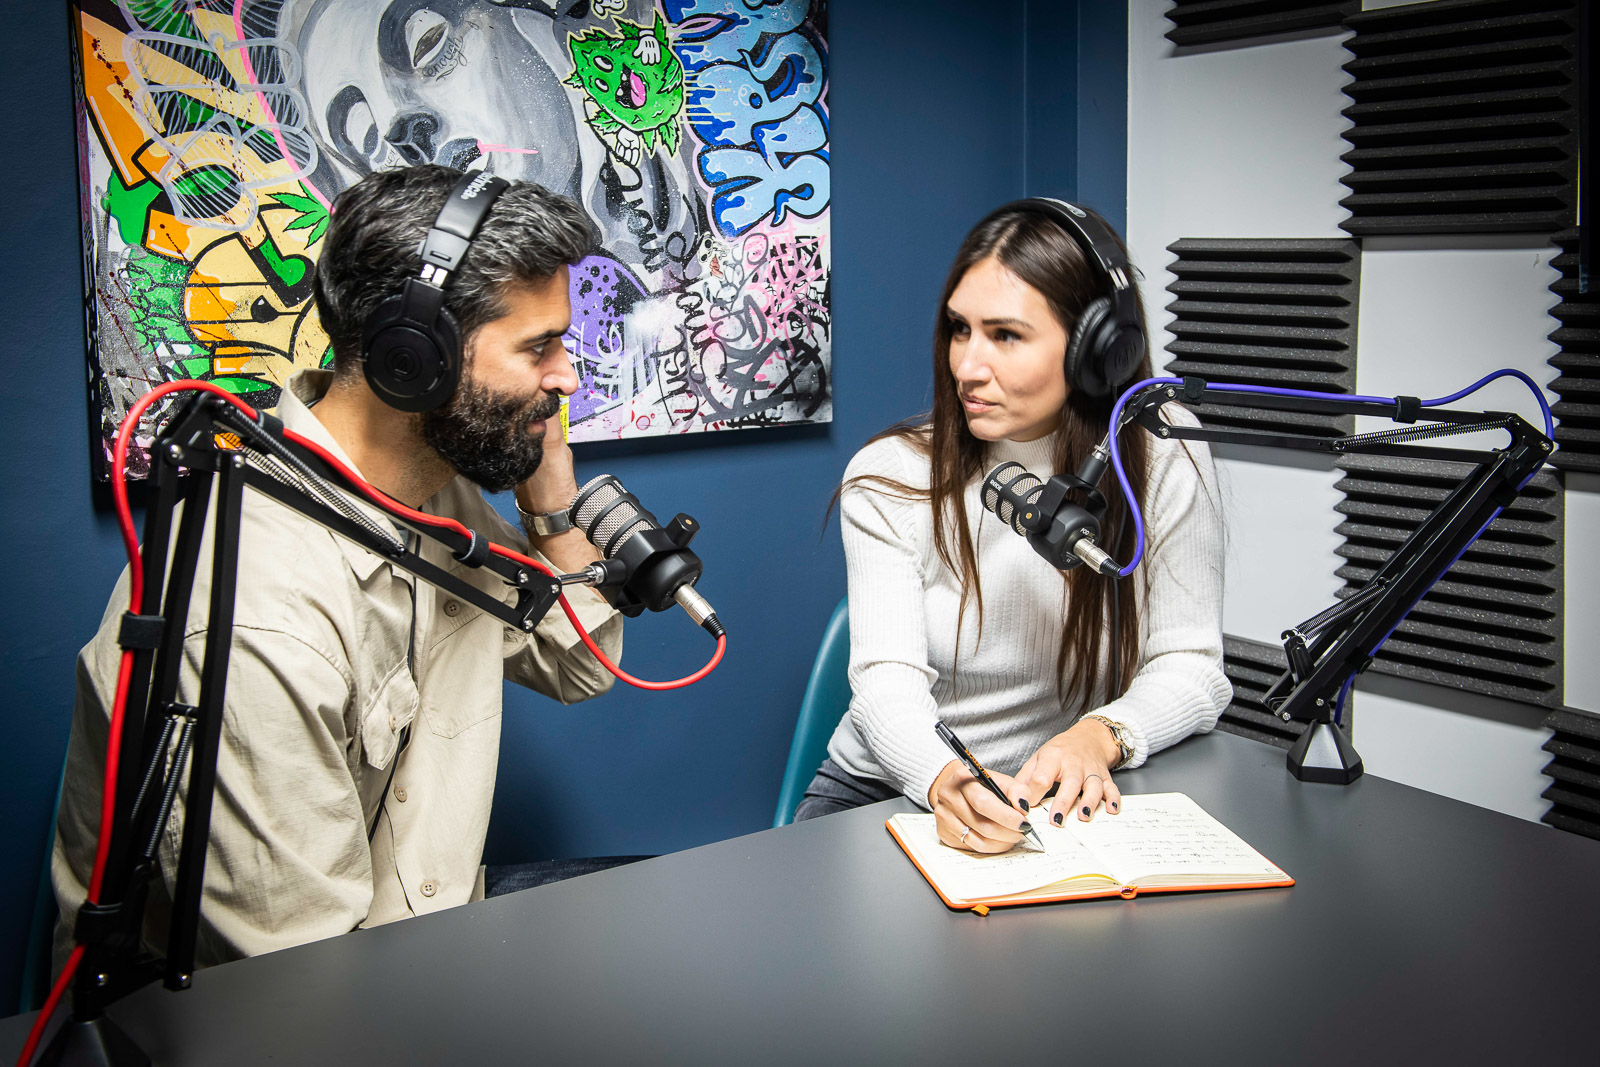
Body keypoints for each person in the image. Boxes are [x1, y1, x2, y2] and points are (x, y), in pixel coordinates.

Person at [53, 164, 625, 969]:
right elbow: (308, 987)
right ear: (413, 357)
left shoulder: (432, 486)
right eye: (540, 346)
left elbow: (580, 663)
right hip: (305, 996)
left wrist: (552, 496)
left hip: (418, 927)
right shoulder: (259, 619)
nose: (568, 375)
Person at [794, 201, 1230, 852]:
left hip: (1063, 795)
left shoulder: (1163, 454)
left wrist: (1099, 736)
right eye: (959, 329)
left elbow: (1191, 664)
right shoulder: (889, 475)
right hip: (891, 787)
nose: (967, 366)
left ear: (1098, 350)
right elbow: (886, 685)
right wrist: (943, 777)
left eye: (1005, 335)